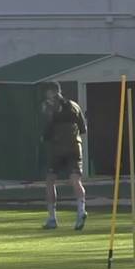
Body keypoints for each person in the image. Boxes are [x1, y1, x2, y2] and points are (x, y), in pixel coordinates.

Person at [40, 82, 88, 231]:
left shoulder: (48, 106)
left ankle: (52, 218)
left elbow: (46, 132)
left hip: (57, 147)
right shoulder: (74, 105)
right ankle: (81, 211)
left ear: (50, 92)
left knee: (50, 180)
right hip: (75, 145)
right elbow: (83, 128)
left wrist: (44, 137)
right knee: (75, 180)